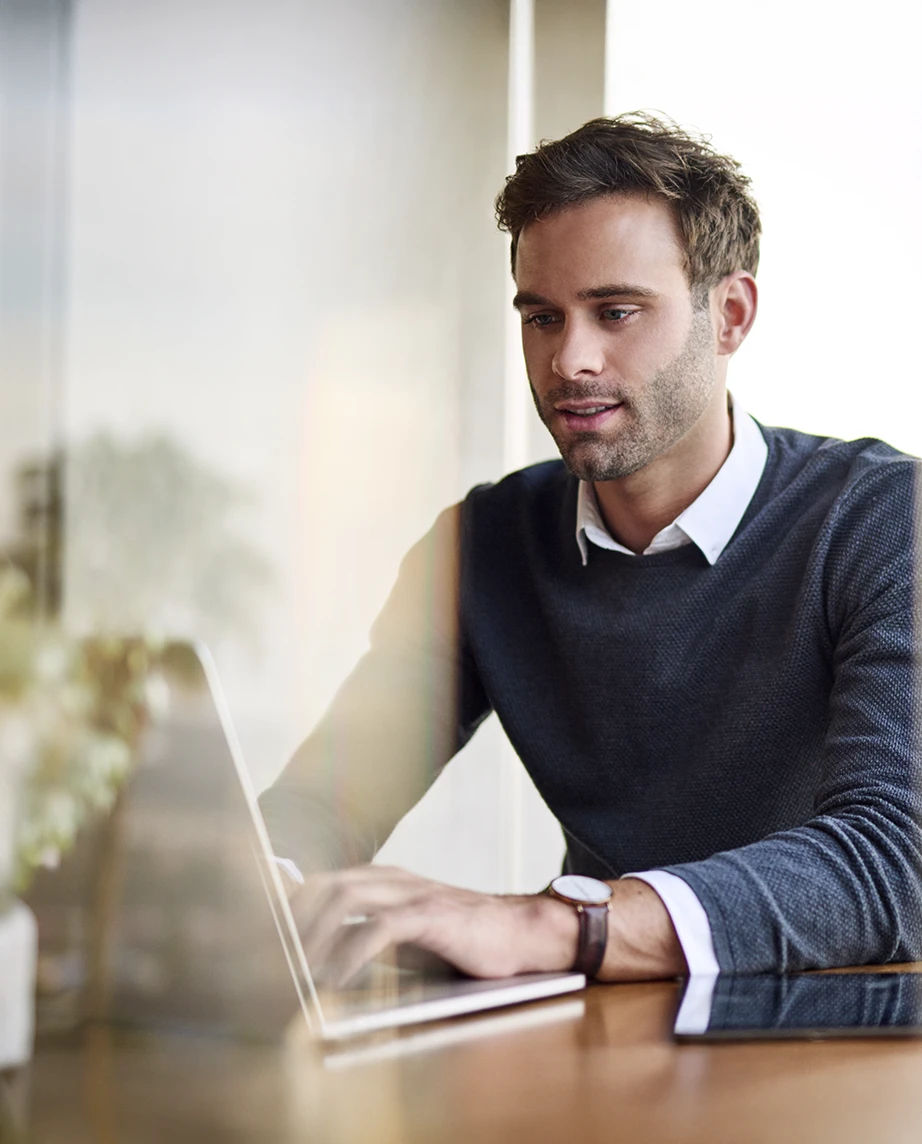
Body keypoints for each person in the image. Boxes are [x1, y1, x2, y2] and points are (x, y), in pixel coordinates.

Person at [259, 112, 922, 985]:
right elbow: (325, 801)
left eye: (616, 312)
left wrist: (559, 925)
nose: (570, 359)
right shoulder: (484, 545)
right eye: (542, 317)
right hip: (598, 1031)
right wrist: (257, 887)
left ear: (729, 314)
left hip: (830, 1048)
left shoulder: (882, 521)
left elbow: (896, 862)